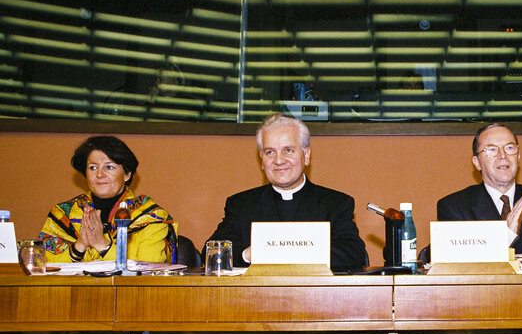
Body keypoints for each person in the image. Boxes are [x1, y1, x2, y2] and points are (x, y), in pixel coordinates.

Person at [207, 113, 368, 271]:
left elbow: (354, 253)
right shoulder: (241, 204)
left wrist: (283, 253)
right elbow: (212, 252)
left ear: (306, 155)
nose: (279, 160)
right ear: (262, 160)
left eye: (288, 150)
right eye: (270, 152)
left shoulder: (336, 204)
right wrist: (248, 254)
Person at [39, 136, 177, 263]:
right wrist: (78, 247)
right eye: (93, 167)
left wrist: (102, 245)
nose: (99, 174)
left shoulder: (151, 217)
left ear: (127, 174)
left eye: (109, 167)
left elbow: (150, 267)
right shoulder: (63, 214)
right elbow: (41, 263)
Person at [435, 123, 522, 255]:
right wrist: (506, 235)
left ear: (518, 157)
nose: (502, 155)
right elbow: (459, 263)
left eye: (509, 148)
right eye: (491, 150)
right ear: (477, 162)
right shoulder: (454, 207)